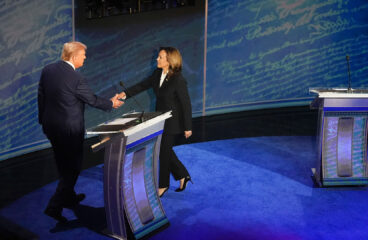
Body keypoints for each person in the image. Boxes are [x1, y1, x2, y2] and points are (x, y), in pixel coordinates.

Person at [38, 41, 124, 222]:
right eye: (83, 55)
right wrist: (112, 103)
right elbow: (91, 99)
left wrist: (43, 121)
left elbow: (41, 97)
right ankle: (54, 206)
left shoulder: (48, 70)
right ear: (75, 56)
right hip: (70, 130)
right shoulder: (76, 78)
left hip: (51, 127)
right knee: (73, 168)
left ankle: (68, 197)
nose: (85, 58)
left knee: (63, 164)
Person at [119, 47, 193, 197]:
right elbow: (142, 85)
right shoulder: (157, 73)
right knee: (164, 150)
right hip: (160, 119)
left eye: (160, 57)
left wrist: (188, 127)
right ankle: (183, 175)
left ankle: (163, 185)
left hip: (173, 122)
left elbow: (186, 104)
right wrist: (125, 93)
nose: (157, 59)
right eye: (158, 57)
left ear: (169, 61)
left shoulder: (178, 79)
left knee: (163, 152)